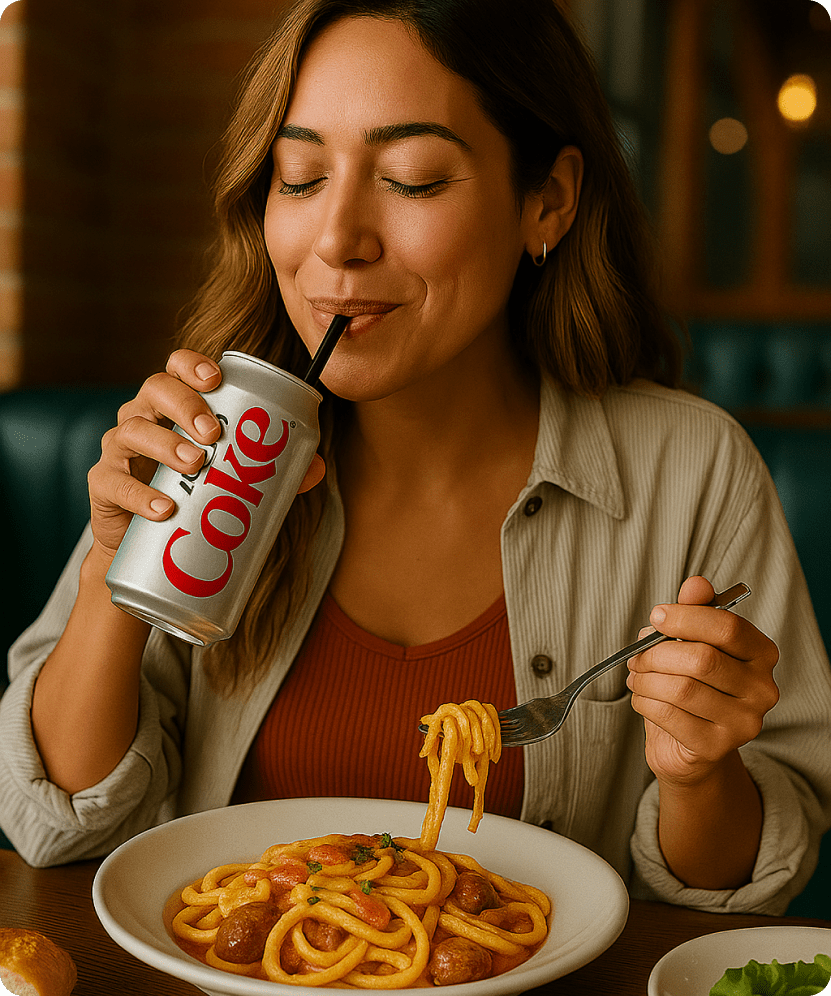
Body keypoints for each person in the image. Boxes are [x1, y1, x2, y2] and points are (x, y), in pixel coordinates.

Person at [1, 0, 829, 916]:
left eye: (413, 178)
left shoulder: (694, 469)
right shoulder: (211, 443)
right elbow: (56, 828)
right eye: (300, 176)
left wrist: (696, 774)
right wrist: (111, 581)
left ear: (545, 199)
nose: (336, 242)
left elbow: (737, 897)